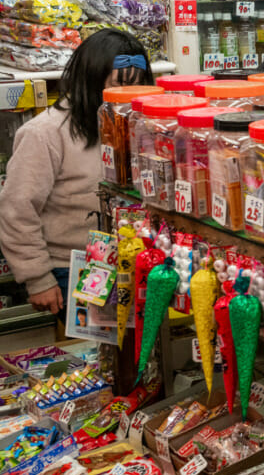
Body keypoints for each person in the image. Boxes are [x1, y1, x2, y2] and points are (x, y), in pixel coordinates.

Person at [0, 30, 153, 319]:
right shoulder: (44, 133)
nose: (129, 96)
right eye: (119, 86)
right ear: (92, 81)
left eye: (139, 86)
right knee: (109, 351)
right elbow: (16, 210)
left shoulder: (139, 125)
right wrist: (38, 278)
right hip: (74, 266)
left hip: (136, 261)